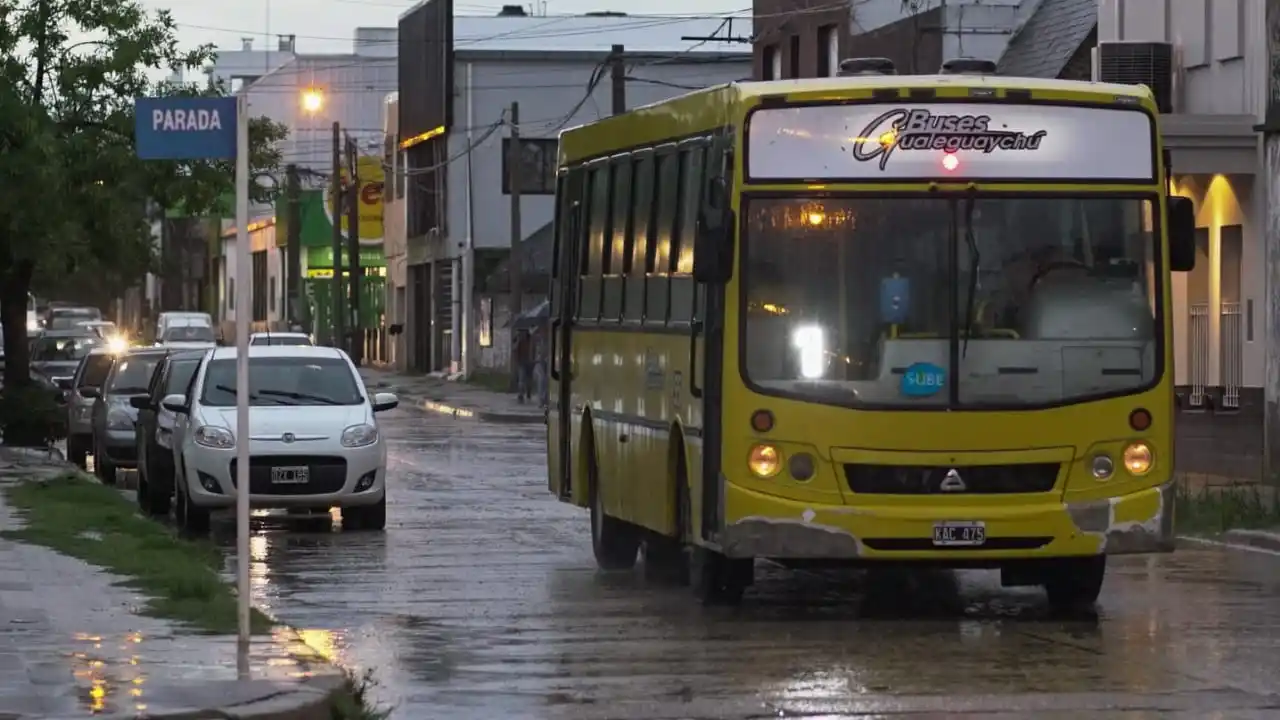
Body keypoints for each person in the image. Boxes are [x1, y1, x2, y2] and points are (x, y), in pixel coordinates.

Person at [514, 328, 534, 404]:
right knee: (522, 379)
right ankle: (521, 395)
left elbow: (533, 349)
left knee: (529, 379)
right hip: (522, 362)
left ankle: (528, 392)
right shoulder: (519, 341)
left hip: (530, 362)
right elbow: (515, 350)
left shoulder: (531, 340)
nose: (523, 334)